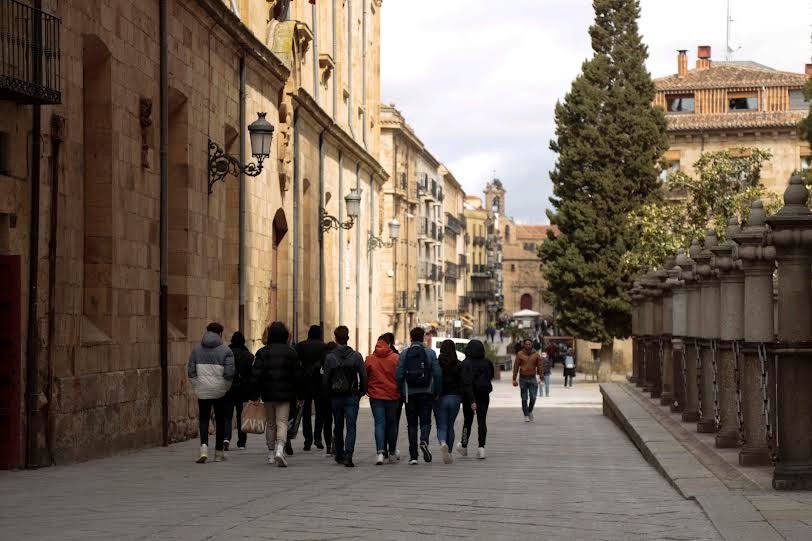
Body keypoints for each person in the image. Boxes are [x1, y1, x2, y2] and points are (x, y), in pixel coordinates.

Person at [250, 322, 302, 467]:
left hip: (267, 394)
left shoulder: (262, 352)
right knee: (282, 422)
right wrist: (301, 395)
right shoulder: (291, 352)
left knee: (271, 423)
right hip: (285, 395)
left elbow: (255, 375)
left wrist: (254, 395)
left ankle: (271, 454)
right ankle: (280, 449)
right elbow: (298, 375)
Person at [186, 322, 235, 463]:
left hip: (203, 391)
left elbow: (191, 371)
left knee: (203, 419)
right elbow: (230, 373)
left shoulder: (196, 350)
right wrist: (224, 387)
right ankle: (219, 453)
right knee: (220, 420)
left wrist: (197, 386)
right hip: (219, 391)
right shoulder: (226, 351)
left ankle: (204, 448)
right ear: (220, 333)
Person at [396, 327, 442, 465]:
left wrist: (401, 391)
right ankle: (424, 440)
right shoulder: (430, 353)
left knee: (411, 424)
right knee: (425, 421)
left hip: (410, 394)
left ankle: (413, 456)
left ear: (410, 338)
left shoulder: (404, 354)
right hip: (426, 392)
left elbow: (398, 375)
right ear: (423, 337)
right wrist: (437, 391)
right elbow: (438, 374)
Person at [323, 326, 367, 467]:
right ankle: (349, 455)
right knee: (351, 425)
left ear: (335, 339)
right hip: (352, 395)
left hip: (336, 396)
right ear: (347, 338)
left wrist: (327, 395)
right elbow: (363, 376)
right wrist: (362, 392)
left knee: (338, 425)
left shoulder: (330, 357)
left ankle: (339, 455)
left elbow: (326, 379)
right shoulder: (356, 356)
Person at [365, 335, 401, 465]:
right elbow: (399, 376)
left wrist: (367, 389)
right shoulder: (396, 358)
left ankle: (380, 452)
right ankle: (391, 453)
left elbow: (365, 376)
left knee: (379, 424)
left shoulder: (369, 359)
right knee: (392, 424)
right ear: (389, 344)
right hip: (392, 396)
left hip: (376, 396)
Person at [458, 340, 494, 460]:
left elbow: (463, 381)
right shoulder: (487, 362)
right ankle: (481, 447)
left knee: (467, 422)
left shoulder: (465, 363)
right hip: (483, 395)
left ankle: (464, 445)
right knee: (482, 421)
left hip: (469, 397)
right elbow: (491, 376)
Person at [296, 325, 328, 452]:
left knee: (306, 413)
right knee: (320, 411)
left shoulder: (301, 345)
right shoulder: (324, 347)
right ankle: (318, 437)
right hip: (319, 383)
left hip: (305, 382)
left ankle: (307, 440)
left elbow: (296, 363)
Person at [224, 331, 254, 451]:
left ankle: (226, 437)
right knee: (242, 416)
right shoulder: (249, 356)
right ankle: (241, 442)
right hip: (243, 390)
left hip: (228, 389)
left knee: (227, 416)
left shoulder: (226, 354)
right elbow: (252, 376)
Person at [435, 340, 463, 464]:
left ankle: (442, 442)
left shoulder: (437, 362)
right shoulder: (458, 364)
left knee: (442, 425)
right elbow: (463, 382)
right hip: (455, 398)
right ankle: (449, 452)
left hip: (441, 398)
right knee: (450, 426)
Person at [512, 338, 543, 422]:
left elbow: (540, 366)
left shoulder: (536, 354)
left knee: (533, 397)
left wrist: (541, 377)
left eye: (529, 344)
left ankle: (529, 411)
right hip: (523, 378)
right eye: (526, 344)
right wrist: (514, 378)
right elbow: (516, 366)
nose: (528, 345)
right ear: (524, 345)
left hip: (532, 378)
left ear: (532, 345)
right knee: (524, 398)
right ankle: (526, 415)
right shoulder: (520, 354)